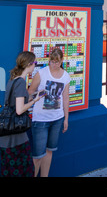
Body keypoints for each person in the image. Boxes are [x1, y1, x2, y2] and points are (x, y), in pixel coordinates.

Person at [0, 51, 44, 177]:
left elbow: (14, 103)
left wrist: (30, 97)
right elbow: (19, 110)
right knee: (23, 169)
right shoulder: (20, 82)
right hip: (16, 136)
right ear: (29, 64)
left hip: (7, 134)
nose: (35, 65)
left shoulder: (13, 79)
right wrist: (34, 101)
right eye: (34, 63)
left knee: (9, 169)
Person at [28, 48, 70, 177]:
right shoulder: (41, 73)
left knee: (49, 151)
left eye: (57, 62)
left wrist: (66, 119)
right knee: (37, 156)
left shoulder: (66, 76)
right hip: (40, 119)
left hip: (57, 119)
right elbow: (30, 92)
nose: (54, 64)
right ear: (49, 60)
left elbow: (65, 98)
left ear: (62, 61)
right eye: (52, 61)